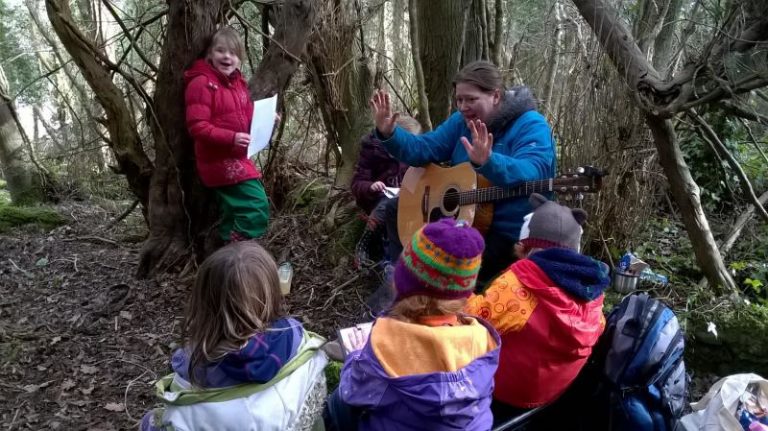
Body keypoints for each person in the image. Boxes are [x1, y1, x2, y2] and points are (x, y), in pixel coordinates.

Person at [371, 60, 556, 283]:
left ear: (496, 96)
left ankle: (416, 289)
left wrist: (489, 161)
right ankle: (399, 276)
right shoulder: (461, 122)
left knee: (443, 274)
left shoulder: (530, 124)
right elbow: (424, 149)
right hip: (464, 222)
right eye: (459, 99)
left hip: (507, 233)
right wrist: (390, 133)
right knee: (395, 209)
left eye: (471, 99)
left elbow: (534, 170)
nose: (462, 106)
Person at [323, 218, 501, 431]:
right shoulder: (483, 337)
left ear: (403, 280)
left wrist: (355, 355)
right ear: (463, 294)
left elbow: (353, 391)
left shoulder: (388, 342)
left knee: (337, 404)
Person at [140, 242, 328, 431]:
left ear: (203, 305)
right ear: (272, 293)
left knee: (150, 422)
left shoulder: (187, 402)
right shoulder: (301, 342)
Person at [464, 193, 610, 419]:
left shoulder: (518, 286)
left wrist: (459, 287)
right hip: (553, 393)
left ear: (525, 244)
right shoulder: (593, 291)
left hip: (505, 393)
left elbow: (469, 321)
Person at [185, 26, 269, 242]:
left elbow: (246, 113)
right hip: (218, 160)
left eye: (232, 53)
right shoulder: (201, 83)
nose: (227, 57)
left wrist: (267, 118)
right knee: (256, 205)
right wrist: (231, 137)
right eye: (221, 51)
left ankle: (225, 251)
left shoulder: (238, 83)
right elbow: (197, 127)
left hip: (238, 156)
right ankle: (240, 250)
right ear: (210, 54)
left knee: (234, 212)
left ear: (239, 58)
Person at [352, 116, 422, 268]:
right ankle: (365, 244)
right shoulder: (372, 150)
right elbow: (357, 183)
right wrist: (371, 186)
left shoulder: (413, 155)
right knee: (387, 204)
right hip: (377, 199)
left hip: (406, 199)